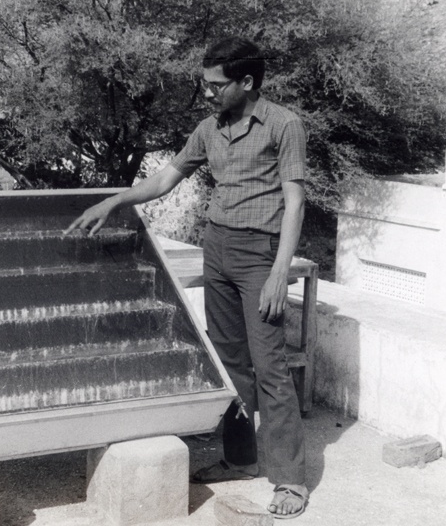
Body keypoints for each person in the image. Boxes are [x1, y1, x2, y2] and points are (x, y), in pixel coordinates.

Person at [64, 36, 308, 518]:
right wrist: (114, 200)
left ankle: (291, 482)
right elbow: (165, 179)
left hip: (261, 255)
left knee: (271, 369)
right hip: (216, 248)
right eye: (205, 85)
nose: (209, 94)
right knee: (230, 363)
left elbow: (296, 200)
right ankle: (240, 459)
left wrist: (280, 270)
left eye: (217, 86)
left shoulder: (284, 124)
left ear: (246, 82)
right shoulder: (207, 128)